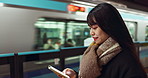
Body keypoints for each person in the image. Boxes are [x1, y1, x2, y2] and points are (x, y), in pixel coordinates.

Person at [58, 3, 147, 78]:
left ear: (109, 27)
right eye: (90, 28)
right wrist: (75, 76)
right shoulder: (94, 52)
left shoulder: (127, 61)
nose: (91, 33)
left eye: (95, 28)